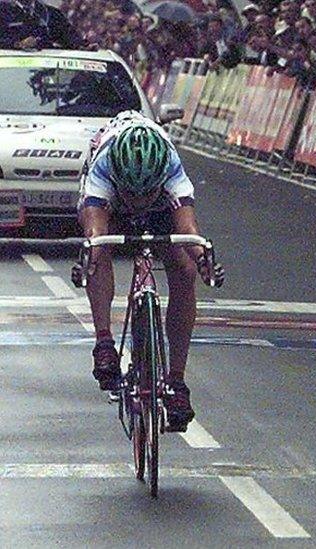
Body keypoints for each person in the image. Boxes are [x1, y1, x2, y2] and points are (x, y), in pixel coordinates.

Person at [76, 111, 225, 433]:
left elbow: (187, 227)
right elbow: (95, 234)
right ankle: (104, 343)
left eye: (148, 193)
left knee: (184, 271)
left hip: (162, 210)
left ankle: (177, 383)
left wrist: (203, 260)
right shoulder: (104, 168)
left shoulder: (170, 167)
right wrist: (88, 258)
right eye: (134, 193)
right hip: (109, 205)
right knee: (98, 254)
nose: (141, 201)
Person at [0, 0, 83, 49]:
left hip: (46, 66)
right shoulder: (3, 9)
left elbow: (69, 36)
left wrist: (83, 46)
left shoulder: (51, 13)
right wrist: (17, 44)